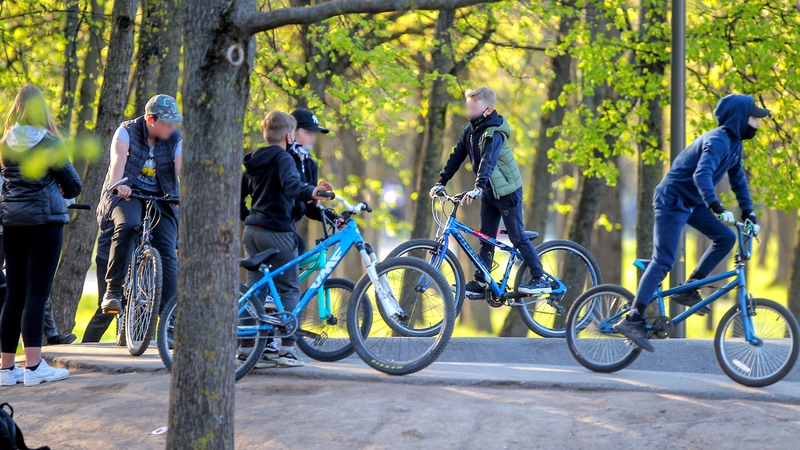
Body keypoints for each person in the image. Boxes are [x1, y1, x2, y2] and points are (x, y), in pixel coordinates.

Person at [614, 94, 767, 352]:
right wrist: (716, 207)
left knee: (727, 238)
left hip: (692, 203)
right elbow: (702, 174)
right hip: (672, 200)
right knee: (664, 260)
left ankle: (688, 288)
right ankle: (632, 319)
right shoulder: (717, 140)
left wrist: (749, 213)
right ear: (740, 118)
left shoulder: (735, 145)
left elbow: (738, 181)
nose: (758, 124)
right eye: (754, 119)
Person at [429, 86, 550, 298]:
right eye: (468, 106)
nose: (468, 110)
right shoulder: (469, 130)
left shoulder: (495, 131)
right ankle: (481, 281)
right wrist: (442, 181)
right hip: (488, 192)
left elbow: (488, 161)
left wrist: (477, 187)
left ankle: (539, 277)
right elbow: (456, 156)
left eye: (473, 107)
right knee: (485, 237)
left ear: (487, 110)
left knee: (517, 236)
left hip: (507, 192)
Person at [0, 85, 81, 386]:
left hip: (12, 224)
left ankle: (7, 369)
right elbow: (73, 185)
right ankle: (34, 367)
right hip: (45, 223)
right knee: (36, 293)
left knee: (15, 294)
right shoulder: (49, 142)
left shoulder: (5, 142)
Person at [239, 111, 332, 368]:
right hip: (277, 232)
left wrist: (248, 217)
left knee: (254, 290)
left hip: (252, 231)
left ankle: (248, 350)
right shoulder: (284, 158)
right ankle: (287, 350)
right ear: (290, 135)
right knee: (290, 287)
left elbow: (240, 194)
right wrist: (313, 190)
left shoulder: (255, 158)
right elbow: (292, 186)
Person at [96, 94, 182, 317]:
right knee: (128, 225)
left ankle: (170, 321)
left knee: (167, 251)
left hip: (162, 198)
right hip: (126, 194)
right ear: (151, 120)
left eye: (174, 123)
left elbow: (183, 168)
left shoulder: (176, 138)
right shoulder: (126, 131)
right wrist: (118, 184)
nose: (172, 127)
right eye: (167, 123)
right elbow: (118, 161)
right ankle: (113, 291)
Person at [81, 226, 112, 342]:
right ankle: (87, 347)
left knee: (142, 309)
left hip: (144, 259)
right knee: (107, 310)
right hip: (109, 255)